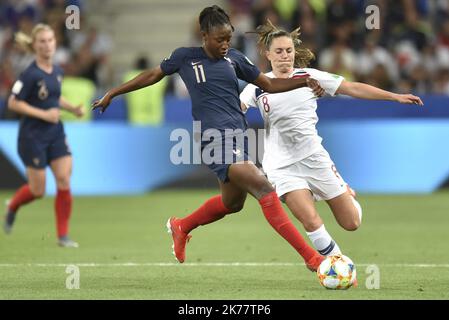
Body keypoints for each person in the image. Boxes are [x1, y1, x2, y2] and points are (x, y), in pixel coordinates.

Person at [93, 5, 327, 271]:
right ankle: (312, 257)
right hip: (213, 139)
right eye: (219, 40)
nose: (225, 44)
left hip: (238, 137)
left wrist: (304, 80)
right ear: (204, 36)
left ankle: (182, 226)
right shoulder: (185, 57)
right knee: (263, 187)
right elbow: (152, 75)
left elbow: (270, 85)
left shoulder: (235, 59)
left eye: (228, 38)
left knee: (233, 203)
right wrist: (114, 92)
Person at [239, 20, 423, 257]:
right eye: (279, 51)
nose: (285, 56)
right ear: (267, 54)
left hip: (314, 158)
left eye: (288, 50)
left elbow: (352, 88)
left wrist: (394, 96)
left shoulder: (310, 76)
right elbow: (238, 107)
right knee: (310, 221)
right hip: (281, 165)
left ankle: (345, 192)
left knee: (351, 222)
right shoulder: (258, 86)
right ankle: (337, 265)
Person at [4, 24, 84, 248]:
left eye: (50, 40)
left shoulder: (57, 71)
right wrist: (43, 114)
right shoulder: (29, 74)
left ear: (55, 43)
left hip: (55, 133)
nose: (47, 45)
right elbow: (13, 102)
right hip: (32, 136)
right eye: (42, 41)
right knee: (38, 190)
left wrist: (72, 109)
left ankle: (63, 236)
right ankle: (12, 206)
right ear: (35, 45)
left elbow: (54, 98)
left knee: (64, 179)